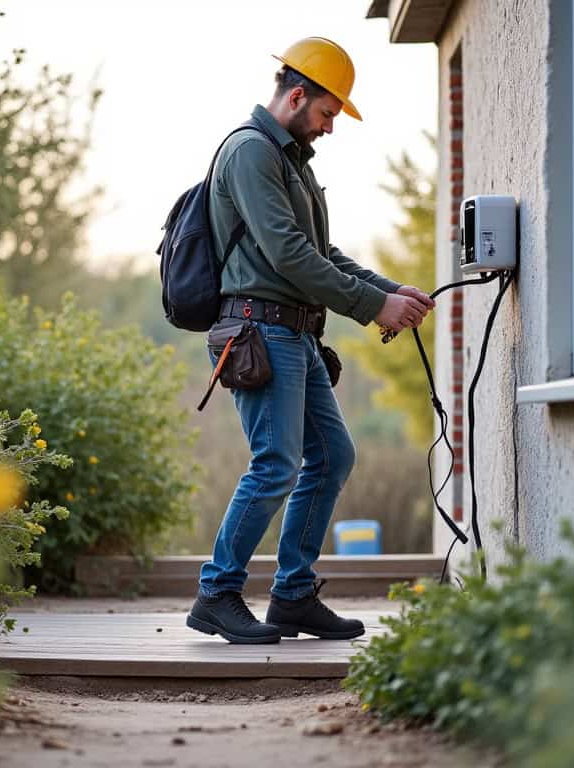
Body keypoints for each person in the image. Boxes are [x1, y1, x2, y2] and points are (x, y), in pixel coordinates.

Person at [185, 37, 434, 644]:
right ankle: (217, 593)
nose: (329, 127)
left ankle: (293, 596)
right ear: (296, 95)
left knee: (333, 456)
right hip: (260, 331)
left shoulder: (291, 159)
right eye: (326, 112)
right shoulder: (250, 153)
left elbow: (320, 253)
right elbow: (288, 254)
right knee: (275, 465)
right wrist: (375, 306)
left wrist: (388, 288)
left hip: (295, 333)